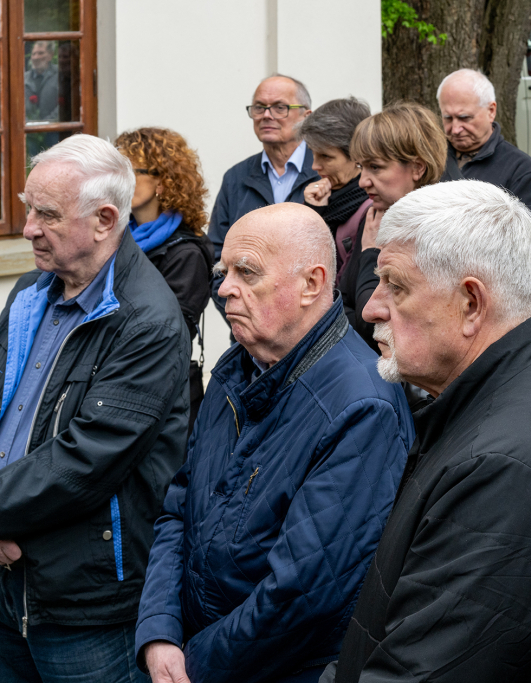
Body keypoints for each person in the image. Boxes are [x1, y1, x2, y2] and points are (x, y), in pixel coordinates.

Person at [323, 180, 531, 682]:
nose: (371, 308)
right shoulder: (510, 399)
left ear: (472, 304)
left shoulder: (505, 470)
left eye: (396, 286)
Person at [136, 203, 414, 683]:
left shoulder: (362, 406)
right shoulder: (235, 368)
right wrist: (159, 630)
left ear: (311, 283)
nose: (223, 289)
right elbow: (178, 507)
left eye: (247, 272)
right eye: (224, 272)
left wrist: (194, 664)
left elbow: (302, 592)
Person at [0, 135, 190, 682]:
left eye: (47, 214)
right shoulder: (32, 292)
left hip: (84, 604)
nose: (28, 226)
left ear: (106, 219)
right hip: (14, 584)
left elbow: (86, 460)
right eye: (27, 205)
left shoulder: (146, 321)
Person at [115, 127, 214, 434]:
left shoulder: (186, 252)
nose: (120, 180)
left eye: (131, 171)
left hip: (162, 396)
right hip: (120, 383)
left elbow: (168, 335)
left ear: (162, 180)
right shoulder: (115, 236)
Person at [208, 74, 316, 318]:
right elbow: (215, 260)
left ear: (306, 117)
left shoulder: (324, 172)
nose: (267, 115)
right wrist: (244, 314)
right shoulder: (236, 178)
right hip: (249, 334)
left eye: (280, 107)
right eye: (259, 107)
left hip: (313, 327)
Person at [340, 101, 447, 348]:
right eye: (360, 167)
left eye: (375, 167)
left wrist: (371, 254)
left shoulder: (436, 231)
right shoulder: (375, 217)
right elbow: (342, 301)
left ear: (418, 167)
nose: (362, 181)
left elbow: (374, 324)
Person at [436, 69, 531, 215]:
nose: (455, 129)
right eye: (447, 118)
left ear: (491, 111)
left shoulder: (520, 169)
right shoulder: (429, 158)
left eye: (464, 117)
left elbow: (524, 236)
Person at [300, 97, 372, 274]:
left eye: (326, 156)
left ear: (356, 155)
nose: (315, 166)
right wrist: (314, 211)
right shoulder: (326, 197)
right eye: (312, 153)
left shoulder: (373, 205)